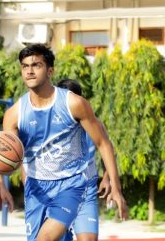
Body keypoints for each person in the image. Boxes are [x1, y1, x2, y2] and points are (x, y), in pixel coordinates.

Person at [0, 44, 128, 241]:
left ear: (50, 70)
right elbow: (11, 155)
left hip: (74, 183)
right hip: (37, 188)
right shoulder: (13, 115)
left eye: (36, 65)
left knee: (52, 238)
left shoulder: (74, 104)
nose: (30, 71)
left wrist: (115, 187)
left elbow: (104, 144)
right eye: (25, 66)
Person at [57, 78, 111, 241]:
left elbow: (106, 151)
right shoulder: (51, 125)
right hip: (57, 191)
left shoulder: (95, 124)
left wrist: (107, 179)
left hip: (85, 190)